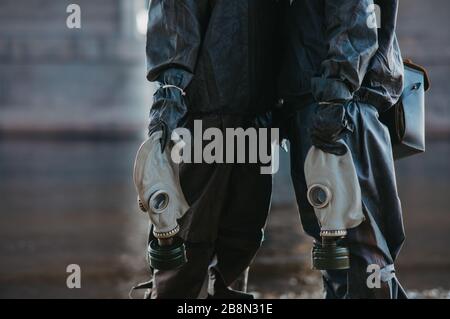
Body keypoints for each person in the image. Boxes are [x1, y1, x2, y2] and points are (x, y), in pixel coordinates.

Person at [139, 0, 281, 299]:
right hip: (205, 113)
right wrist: (168, 103)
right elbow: (174, 20)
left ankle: (220, 295)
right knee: (188, 238)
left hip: (258, 116)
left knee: (243, 234)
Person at [277, 0, 407, 298]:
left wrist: (335, 96)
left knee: (361, 239)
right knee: (331, 238)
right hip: (318, 105)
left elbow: (354, 25)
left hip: (341, 107)